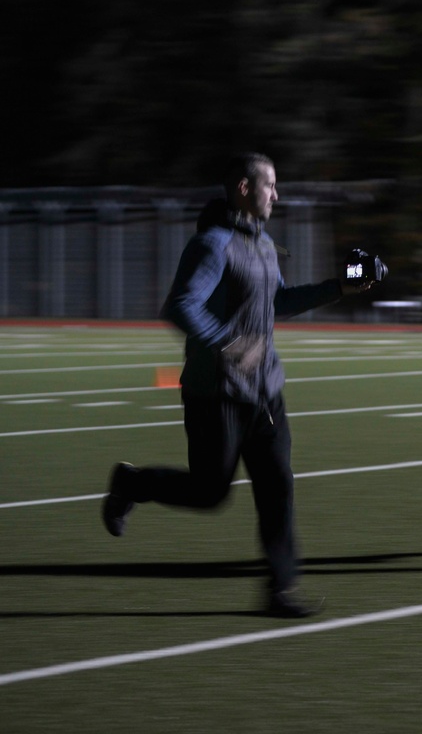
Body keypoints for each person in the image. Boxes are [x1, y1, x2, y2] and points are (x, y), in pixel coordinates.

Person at [101, 152, 373, 617]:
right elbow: (181, 305)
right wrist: (228, 345)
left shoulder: (264, 245)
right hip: (216, 395)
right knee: (210, 492)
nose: (277, 195)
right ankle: (131, 483)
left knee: (277, 487)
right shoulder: (213, 244)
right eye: (270, 186)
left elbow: (278, 302)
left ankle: (280, 590)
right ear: (245, 190)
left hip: (265, 391)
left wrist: (338, 288)